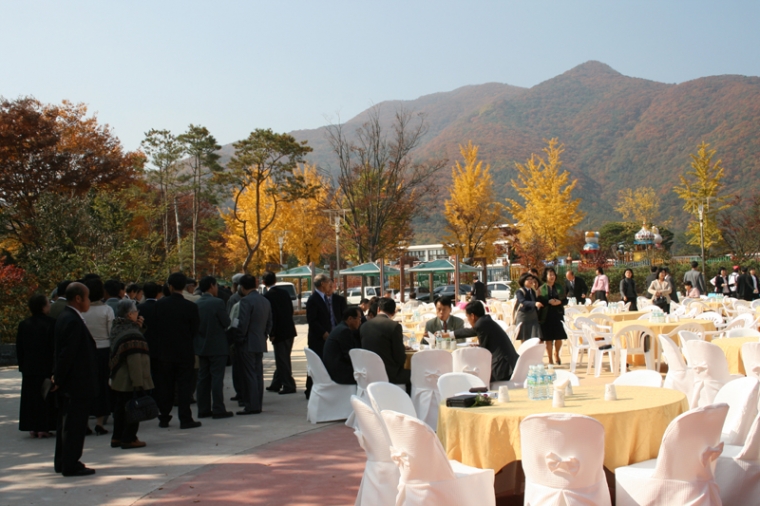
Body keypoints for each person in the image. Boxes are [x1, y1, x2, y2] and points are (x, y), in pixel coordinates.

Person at [52, 282, 97, 477]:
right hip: (76, 382)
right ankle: (71, 463)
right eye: (87, 297)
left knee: (66, 424)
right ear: (78, 298)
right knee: (74, 425)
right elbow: (67, 354)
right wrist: (58, 378)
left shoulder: (65, 317)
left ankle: (62, 461)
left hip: (71, 382)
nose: (89, 302)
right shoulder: (72, 320)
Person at [150, 272, 202, 429]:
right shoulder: (191, 307)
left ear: (170, 286)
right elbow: (195, 330)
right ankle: (185, 418)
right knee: (184, 386)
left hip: (164, 352)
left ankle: (164, 417)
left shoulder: (159, 305)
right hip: (185, 351)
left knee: (165, 386)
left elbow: (154, 329)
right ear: (184, 286)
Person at [109, 299, 153, 449]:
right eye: (135, 312)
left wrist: (138, 327)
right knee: (133, 408)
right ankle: (129, 438)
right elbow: (135, 360)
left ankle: (117, 437)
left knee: (120, 408)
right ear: (129, 315)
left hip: (118, 377)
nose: (137, 314)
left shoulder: (117, 327)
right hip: (130, 378)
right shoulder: (133, 334)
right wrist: (138, 383)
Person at [16, 294, 57, 438]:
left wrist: (22, 366)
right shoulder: (52, 323)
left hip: (29, 367)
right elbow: (54, 347)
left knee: (31, 398)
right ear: (43, 307)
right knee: (45, 397)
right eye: (48, 303)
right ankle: (43, 427)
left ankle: (32, 426)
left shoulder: (24, 324)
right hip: (46, 366)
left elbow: (19, 348)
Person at [194, 276, 233, 419]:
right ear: (212, 286)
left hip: (201, 346)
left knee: (203, 378)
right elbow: (226, 322)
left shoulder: (197, 303)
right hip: (217, 346)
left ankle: (203, 409)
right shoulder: (217, 303)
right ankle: (218, 408)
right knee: (217, 378)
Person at [81, 278, 115, 436]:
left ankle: (85, 422)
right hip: (104, 350)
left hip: (86, 351)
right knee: (102, 386)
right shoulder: (107, 310)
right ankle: (100, 422)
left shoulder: (81, 311)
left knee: (86, 386)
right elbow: (111, 333)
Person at [235, 274, 273, 414]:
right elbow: (270, 322)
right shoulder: (265, 301)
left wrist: (239, 338)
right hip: (260, 341)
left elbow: (243, 323)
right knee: (257, 373)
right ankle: (257, 403)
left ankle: (252, 404)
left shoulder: (246, 301)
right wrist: (264, 335)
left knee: (249, 374)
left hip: (248, 342)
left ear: (242, 287)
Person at [454, 301, 519, 382]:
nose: (468, 319)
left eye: (467, 317)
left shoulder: (481, 324)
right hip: (510, 364)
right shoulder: (485, 321)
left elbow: (483, 352)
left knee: (476, 378)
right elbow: (471, 332)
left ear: (472, 316)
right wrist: (449, 334)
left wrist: (475, 349)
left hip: (503, 368)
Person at [360, 297, 411, 388]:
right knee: (416, 374)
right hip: (389, 374)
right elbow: (400, 358)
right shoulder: (394, 326)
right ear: (394, 312)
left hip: (368, 373)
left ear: (378, 309)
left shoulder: (364, 326)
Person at [262, 271, 298, 395]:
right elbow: (290, 310)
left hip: (278, 331)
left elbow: (271, 316)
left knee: (282, 359)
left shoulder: (267, 296)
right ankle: (276, 383)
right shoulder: (284, 293)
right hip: (289, 329)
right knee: (283, 357)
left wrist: (271, 332)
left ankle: (289, 385)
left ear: (263, 282)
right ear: (275, 280)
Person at [305, 274, 337, 399]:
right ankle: (310, 389)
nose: (330, 284)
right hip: (318, 339)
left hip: (327, 337)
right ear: (322, 284)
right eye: (328, 282)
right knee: (315, 364)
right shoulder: (313, 299)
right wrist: (323, 333)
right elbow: (312, 320)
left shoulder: (324, 298)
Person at [322, 307, 363, 384]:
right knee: (366, 373)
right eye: (359, 318)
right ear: (350, 319)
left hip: (333, 369)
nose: (360, 322)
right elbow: (349, 356)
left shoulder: (340, 327)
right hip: (339, 373)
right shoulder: (344, 331)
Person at [537, 267, 567, 365]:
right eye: (550, 275)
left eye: (553, 274)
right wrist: (548, 302)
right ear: (545, 276)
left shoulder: (559, 287)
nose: (552, 277)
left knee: (559, 337)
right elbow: (539, 301)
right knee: (548, 339)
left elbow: (565, 300)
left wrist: (560, 302)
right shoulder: (541, 289)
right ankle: (550, 359)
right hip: (546, 316)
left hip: (557, 314)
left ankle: (556, 353)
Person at [513, 273, 543, 341]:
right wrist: (534, 303)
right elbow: (522, 301)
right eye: (528, 279)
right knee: (524, 337)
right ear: (523, 281)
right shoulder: (520, 291)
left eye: (531, 279)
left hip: (533, 316)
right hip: (524, 316)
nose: (531, 281)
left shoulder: (532, 291)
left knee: (535, 336)